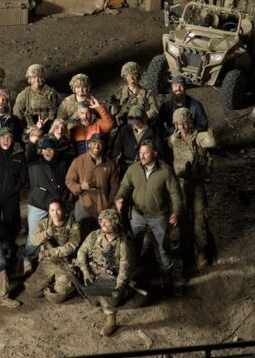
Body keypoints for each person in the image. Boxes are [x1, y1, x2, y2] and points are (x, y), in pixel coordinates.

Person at [115, 141, 183, 292]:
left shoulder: (165, 171)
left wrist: (176, 212)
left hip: (158, 215)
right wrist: (119, 198)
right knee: (135, 245)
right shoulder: (133, 169)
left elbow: (175, 193)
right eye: (140, 153)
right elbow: (125, 186)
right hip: (137, 214)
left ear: (155, 153)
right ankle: (135, 275)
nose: (142, 156)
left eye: (146, 153)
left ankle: (167, 276)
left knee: (163, 247)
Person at [169, 108, 216, 271]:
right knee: (182, 217)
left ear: (190, 122)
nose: (182, 127)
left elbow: (211, 142)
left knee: (199, 218)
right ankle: (185, 248)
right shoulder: (175, 139)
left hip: (196, 184)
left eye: (184, 123)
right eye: (178, 124)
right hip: (180, 184)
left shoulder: (199, 137)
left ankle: (201, 251)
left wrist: (211, 137)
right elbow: (168, 143)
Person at [76, 208, 134, 337]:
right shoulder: (95, 235)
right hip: (94, 272)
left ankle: (111, 319)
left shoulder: (123, 244)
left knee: (107, 294)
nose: (104, 224)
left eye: (108, 222)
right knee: (93, 299)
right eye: (102, 221)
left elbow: (125, 269)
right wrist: (86, 272)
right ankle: (98, 295)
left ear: (115, 222)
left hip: (112, 277)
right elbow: (81, 252)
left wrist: (119, 287)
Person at [24, 136, 70, 272]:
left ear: (55, 150)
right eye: (44, 149)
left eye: (50, 149)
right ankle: (28, 259)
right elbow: (29, 154)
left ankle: (52, 260)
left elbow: (66, 181)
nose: (47, 152)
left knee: (56, 233)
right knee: (34, 234)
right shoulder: (35, 162)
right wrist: (32, 142)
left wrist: (65, 196)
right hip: (38, 204)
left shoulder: (62, 163)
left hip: (56, 204)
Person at [23, 198, 81, 303]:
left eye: (58, 209)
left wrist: (50, 252)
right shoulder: (44, 224)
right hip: (48, 262)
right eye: (52, 210)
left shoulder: (73, 225)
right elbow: (34, 240)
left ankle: (62, 283)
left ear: (63, 210)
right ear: (49, 211)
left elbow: (72, 246)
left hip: (65, 263)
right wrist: (47, 233)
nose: (55, 213)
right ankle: (52, 281)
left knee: (57, 297)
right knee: (31, 291)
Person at [65, 133, 120, 233]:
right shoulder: (78, 161)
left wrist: (109, 203)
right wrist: (80, 187)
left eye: (100, 143)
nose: (97, 146)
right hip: (84, 205)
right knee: (82, 233)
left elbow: (115, 186)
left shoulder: (110, 163)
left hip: (103, 207)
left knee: (103, 235)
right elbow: (69, 180)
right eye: (94, 142)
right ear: (89, 144)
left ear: (104, 146)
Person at [0, 127, 28, 258]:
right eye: (3, 137)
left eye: (9, 137)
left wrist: (15, 190)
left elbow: (23, 177)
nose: (6, 140)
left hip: (11, 195)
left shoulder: (19, 154)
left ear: (13, 140)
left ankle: (10, 245)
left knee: (12, 221)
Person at [111, 106, 166, 176]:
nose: (135, 124)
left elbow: (160, 155)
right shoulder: (124, 130)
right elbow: (116, 150)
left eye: (138, 122)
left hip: (146, 168)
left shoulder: (154, 133)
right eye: (132, 122)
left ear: (144, 119)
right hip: (126, 167)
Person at [13, 64, 61, 129]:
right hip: (31, 130)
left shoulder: (52, 94)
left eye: (39, 77)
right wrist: (25, 130)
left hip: (50, 128)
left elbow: (60, 112)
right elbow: (17, 114)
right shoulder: (24, 95)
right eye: (34, 77)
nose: (37, 80)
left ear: (43, 78)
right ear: (29, 79)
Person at [110, 61, 159, 125]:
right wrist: (115, 106)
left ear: (138, 76)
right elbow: (113, 114)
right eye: (128, 76)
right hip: (124, 124)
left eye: (134, 75)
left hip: (141, 124)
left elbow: (155, 111)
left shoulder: (147, 94)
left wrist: (141, 117)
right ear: (125, 78)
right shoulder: (120, 92)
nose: (132, 79)